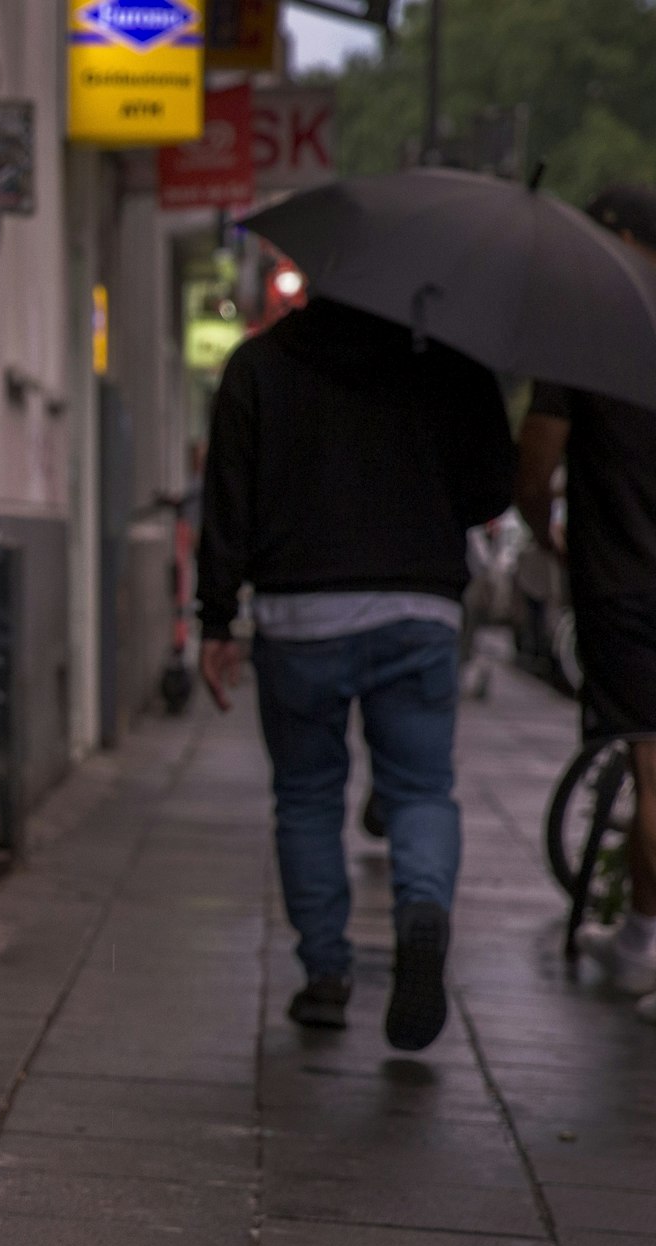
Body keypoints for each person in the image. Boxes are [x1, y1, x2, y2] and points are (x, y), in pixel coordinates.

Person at [198, 297, 515, 1050]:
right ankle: (422, 909)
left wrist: (216, 618)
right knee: (421, 789)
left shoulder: (260, 364)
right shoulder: (452, 363)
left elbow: (227, 499)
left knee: (307, 796)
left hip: (298, 614)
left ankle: (326, 976)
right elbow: (493, 486)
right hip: (418, 604)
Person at [515, 186, 656, 1021]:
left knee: (651, 764)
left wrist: (547, 532)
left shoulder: (588, 331)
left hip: (626, 580)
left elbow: (535, 466)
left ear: (627, 240)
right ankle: (639, 933)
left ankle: (646, 939)